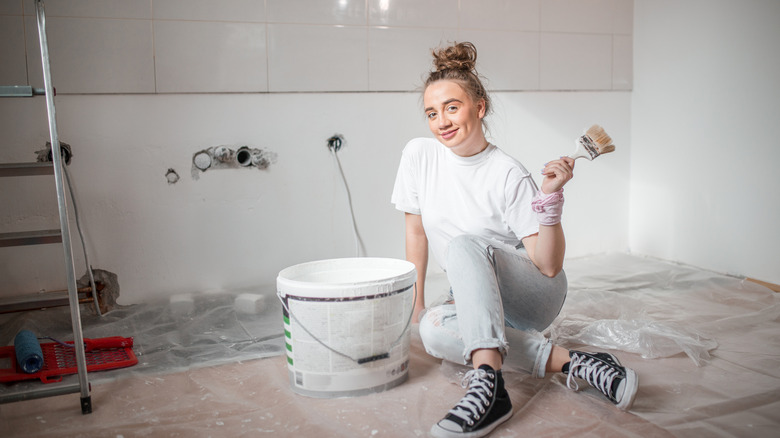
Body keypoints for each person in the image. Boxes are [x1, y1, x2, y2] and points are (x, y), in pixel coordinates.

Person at [391, 42, 638, 438]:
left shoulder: (507, 173)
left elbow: (548, 266)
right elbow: (416, 231)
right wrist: (418, 303)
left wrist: (550, 199)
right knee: (434, 330)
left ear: (479, 107)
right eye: (432, 113)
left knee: (463, 245)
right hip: (472, 291)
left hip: (531, 293)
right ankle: (578, 363)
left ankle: (490, 389)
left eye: (452, 107)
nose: (441, 122)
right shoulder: (419, 156)